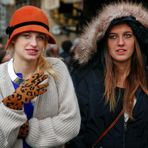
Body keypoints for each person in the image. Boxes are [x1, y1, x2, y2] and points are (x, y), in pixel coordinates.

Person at [66, 2, 148, 148]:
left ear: (136, 40)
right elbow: (75, 133)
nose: (121, 43)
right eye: (113, 37)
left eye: (127, 35)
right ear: (105, 42)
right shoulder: (86, 81)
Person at [0, 5, 80, 148]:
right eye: (26, 36)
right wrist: (14, 103)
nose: (34, 43)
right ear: (13, 39)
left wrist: (28, 130)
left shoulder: (56, 69)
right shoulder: (1, 76)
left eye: (40, 37)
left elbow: (71, 123)